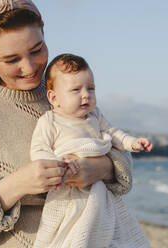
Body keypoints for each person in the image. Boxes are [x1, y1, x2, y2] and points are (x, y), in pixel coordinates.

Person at [0, 0, 134, 247]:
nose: (30, 67)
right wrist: (17, 184)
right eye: (12, 59)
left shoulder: (66, 91)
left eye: (36, 50)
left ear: (44, 31)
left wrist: (100, 168)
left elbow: (118, 151)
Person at [30, 54, 152, 248]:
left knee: (110, 229)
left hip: (99, 190)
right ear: (54, 98)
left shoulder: (95, 115)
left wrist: (132, 142)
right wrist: (57, 165)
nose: (86, 95)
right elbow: (39, 150)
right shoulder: (49, 121)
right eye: (76, 90)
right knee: (70, 232)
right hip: (69, 191)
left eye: (91, 88)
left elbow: (113, 134)